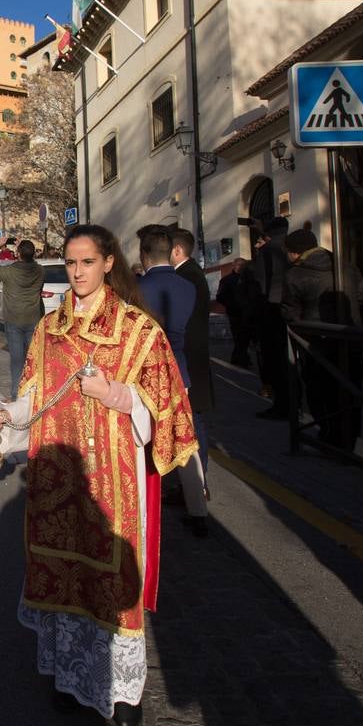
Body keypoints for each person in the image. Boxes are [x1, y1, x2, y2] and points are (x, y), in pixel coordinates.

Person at [0, 224, 194, 726]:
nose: (78, 272)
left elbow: (164, 399)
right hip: (59, 471)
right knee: (65, 572)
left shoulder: (136, 329)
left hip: (114, 471)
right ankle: (66, 674)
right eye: (72, 262)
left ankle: (123, 691)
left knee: (112, 571)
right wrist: (12, 415)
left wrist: (118, 397)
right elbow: (38, 392)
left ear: (108, 263)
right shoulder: (48, 327)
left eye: (87, 262)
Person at [135, 225, 207, 536]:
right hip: (180, 370)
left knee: (141, 440)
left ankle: (140, 510)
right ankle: (198, 510)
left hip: (147, 372)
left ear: (144, 255)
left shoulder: (138, 289)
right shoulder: (187, 286)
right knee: (185, 442)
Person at [282, 228, 363, 451]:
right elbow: (360, 295)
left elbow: (290, 312)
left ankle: (330, 436)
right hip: (351, 339)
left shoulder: (295, 274)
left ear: (294, 253)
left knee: (321, 392)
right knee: (350, 391)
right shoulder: (345, 266)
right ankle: (349, 439)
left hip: (317, 345)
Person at [170, 226, 215, 499]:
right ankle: (193, 485)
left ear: (177, 251)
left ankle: (196, 485)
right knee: (192, 421)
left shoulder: (185, 278)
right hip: (195, 357)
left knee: (193, 424)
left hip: (190, 358)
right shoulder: (192, 275)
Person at [0, 239, 45, 393]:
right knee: (34, 359)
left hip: (13, 321)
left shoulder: (10, 271)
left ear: (17, 254)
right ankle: (35, 393)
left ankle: (16, 394)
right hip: (33, 319)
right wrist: (23, 250)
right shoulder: (40, 271)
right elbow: (38, 287)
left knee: (17, 361)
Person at [252, 217, 292, 419]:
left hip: (271, 314)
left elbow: (260, 286)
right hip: (291, 313)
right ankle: (293, 404)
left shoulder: (267, 252)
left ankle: (283, 405)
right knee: (290, 362)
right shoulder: (291, 249)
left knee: (276, 362)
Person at [216, 257, 255, 368]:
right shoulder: (226, 280)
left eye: (244, 266)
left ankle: (240, 357)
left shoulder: (250, 279)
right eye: (240, 265)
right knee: (239, 336)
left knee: (245, 336)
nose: (242, 268)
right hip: (235, 313)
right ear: (235, 266)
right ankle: (241, 358)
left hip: (247, 311)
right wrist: (232, 304)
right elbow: (220, 297)